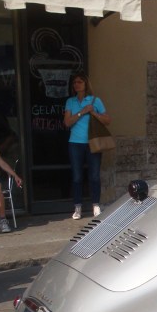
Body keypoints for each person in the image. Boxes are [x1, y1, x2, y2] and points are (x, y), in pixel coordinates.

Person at [64, 71, 110, 220]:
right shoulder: (70, 101)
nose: (77, 84)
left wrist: (93, 113)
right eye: (75, 82)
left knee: (94, 175)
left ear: (85, 84)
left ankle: (96, 204)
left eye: (80, 82)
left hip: (92, 142)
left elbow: (108, 120)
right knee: (77, 176)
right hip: (75, 143)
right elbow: (67, 122)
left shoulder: (95, 100)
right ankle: (77, 206)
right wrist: (82, 112)